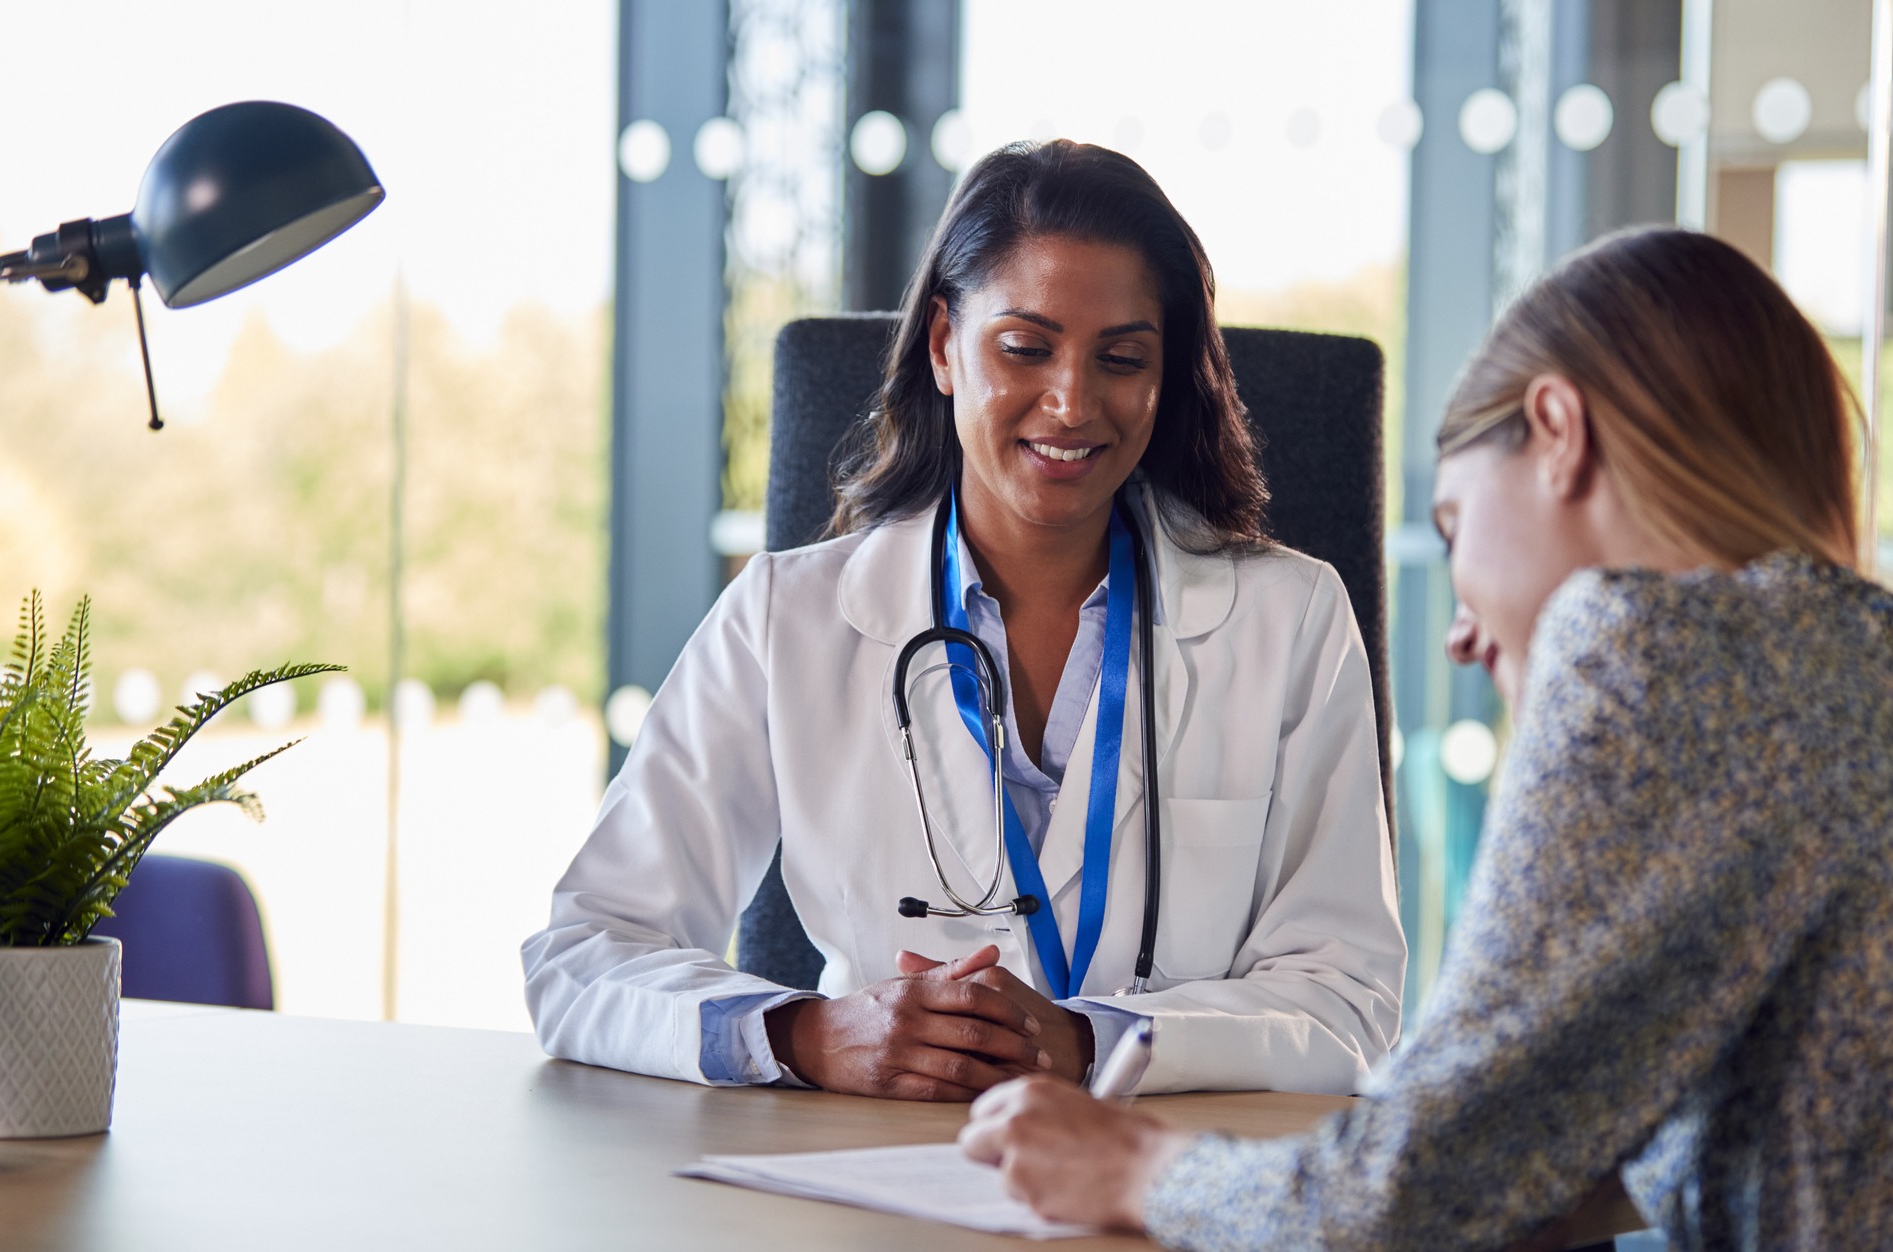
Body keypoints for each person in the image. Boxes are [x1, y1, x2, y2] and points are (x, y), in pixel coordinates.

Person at [959, 226, 1893, 1252]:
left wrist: (1133, 1164)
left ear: (1557, 431)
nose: (1459, 632)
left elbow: (1386, 1217)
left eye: (1450, 526)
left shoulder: (1655, 649)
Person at [522, 140, 1405, 1101]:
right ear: (944, 347)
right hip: (867, 1189)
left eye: (1121, 358)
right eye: (1024, 347)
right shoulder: (789, 616)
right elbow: (584, 954)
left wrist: (1086, 1043)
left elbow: (1347, 1001)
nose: (1071, 403)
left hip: (1163, 1189)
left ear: (1166, 376)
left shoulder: (1291, 618)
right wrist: (805, 1035)